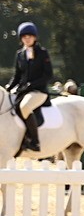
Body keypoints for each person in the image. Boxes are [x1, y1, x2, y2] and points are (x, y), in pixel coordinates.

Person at [5, 22, 53, 152]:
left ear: (35, 37)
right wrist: (8, 88)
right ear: (21, 38)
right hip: (23, 91)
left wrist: (31, 85)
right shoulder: (20, 54)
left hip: (39, 91)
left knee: (24, 107)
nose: (27, 38)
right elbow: (17, 75)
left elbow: (48, 75)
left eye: (30, 36)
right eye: (24, 36)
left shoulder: (42, 53)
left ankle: (35, 142)